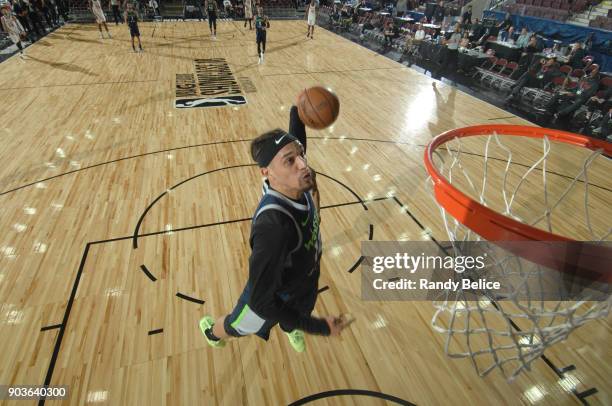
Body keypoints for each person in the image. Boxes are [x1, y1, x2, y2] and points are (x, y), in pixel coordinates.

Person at [199, 107, 351, 353]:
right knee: (235, 326)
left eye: (301, 155)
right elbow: (261, 303)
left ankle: (291, 328)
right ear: (266, 173)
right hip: (271, 298)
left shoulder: (291, 178)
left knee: (299, 313)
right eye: (290, 160)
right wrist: (320, 328)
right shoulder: (274, 228)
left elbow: (295, 143)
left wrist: (298, 111)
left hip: (304, 280)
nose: (303, 165)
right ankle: (212, 333)